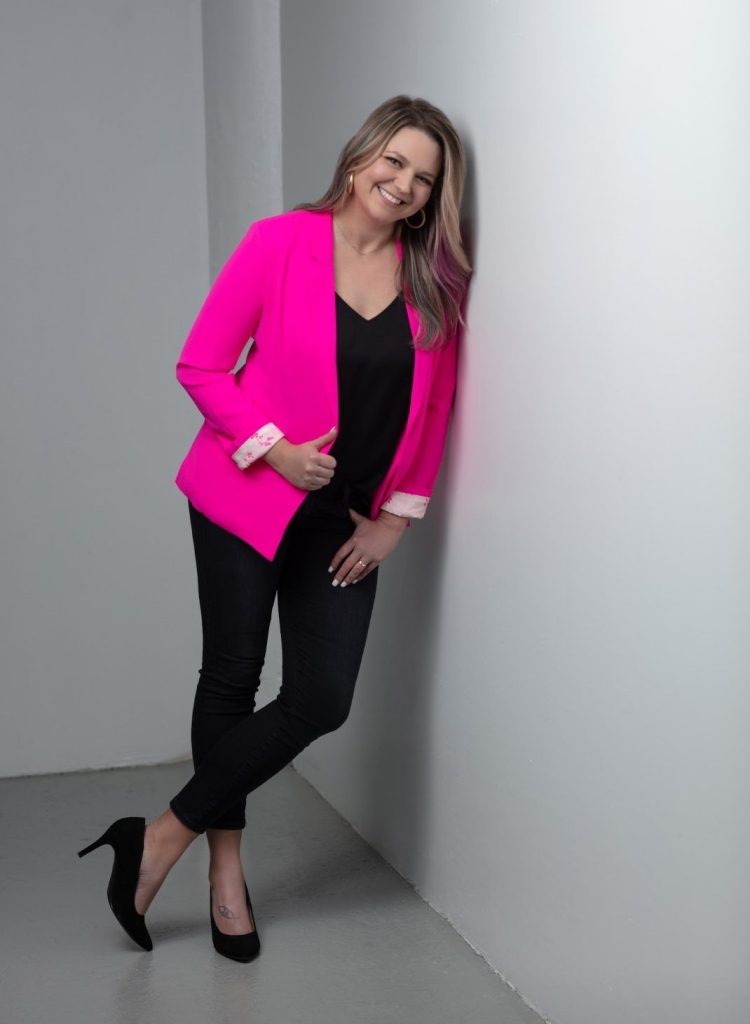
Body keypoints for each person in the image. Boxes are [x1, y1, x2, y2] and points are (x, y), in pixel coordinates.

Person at [77, 94, 472, 962]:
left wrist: (393, 526)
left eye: (424, 177)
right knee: (231, 676)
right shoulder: (281, 241)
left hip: (346, 522)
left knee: (320, 698)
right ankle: (226, 874)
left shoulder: (435, 281)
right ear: (363, 152)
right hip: (246, 496)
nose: (402, 184)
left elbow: (435, 408)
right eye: (394, 161)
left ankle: (158, 838)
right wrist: (273, 451)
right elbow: (202, 364)